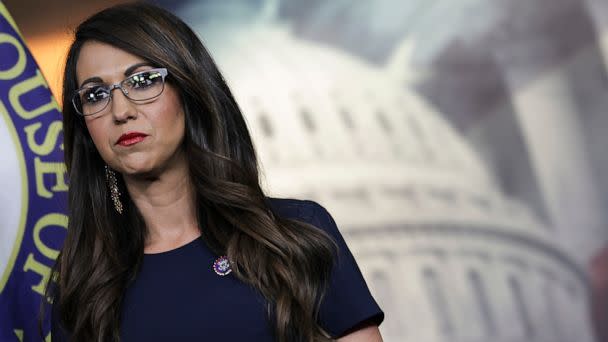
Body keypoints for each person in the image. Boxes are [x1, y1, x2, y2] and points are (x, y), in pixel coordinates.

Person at [44, 3, 384, 341]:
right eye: (95, 94)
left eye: (143, 80)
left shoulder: (295, 234)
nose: (121, 110)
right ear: (85, 127)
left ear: (190, 90)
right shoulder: (84, 282)